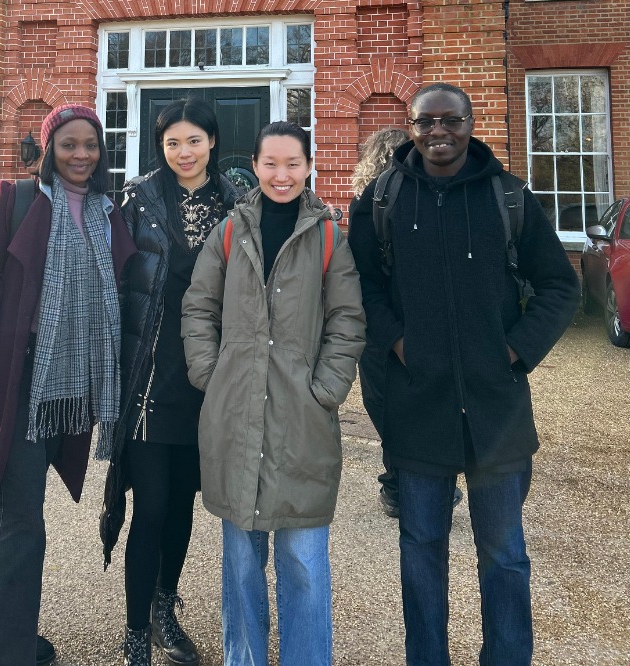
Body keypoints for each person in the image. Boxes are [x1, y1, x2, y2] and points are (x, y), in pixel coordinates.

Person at [349, 83, 579, 665]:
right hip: (418, 409)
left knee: (504, 557)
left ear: (471, 124)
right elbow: (363, 289)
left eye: (451, 121)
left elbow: (559, 286)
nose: (439, 133)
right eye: (426, 123)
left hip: (495, 412)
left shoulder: (510, 198)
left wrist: (513, 353)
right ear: (411, 129)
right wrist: (399, 344)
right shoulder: (381, 202)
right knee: (422, 553)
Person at [0, 104, 135, 666]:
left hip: (75, 383)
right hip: (18, 380)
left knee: (25, 512)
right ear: (49, 148)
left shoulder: (110, 212)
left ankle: (8, 635)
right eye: (68, 145)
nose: (81, 155)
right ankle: (5, 652)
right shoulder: (16, 201)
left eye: (91, 146)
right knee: (21, 514)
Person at [181, 121, 367, 666]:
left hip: (302, 422)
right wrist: (210, 374)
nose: (281, 175)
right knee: (240, 564)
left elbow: (347, 319)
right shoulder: (229, 233)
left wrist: (327, 388)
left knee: (304, 563)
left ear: (309, 166)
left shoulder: (330, 236)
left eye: (292, 164)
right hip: (235, 418)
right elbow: (199, 306)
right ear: (255, 166)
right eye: (270, 164)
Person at [102, 99, 242, 666]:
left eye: (194, 141)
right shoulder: (136, 201)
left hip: (207, 379)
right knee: (151, 507)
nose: (184, 153)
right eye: (172, 144)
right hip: (149, 375)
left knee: (183, 505)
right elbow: (108, 279)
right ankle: (136, 630)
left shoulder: (239, 204)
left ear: (212, 141)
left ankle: (165, 607)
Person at [350, 128, 464, 518]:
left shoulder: (369, 198)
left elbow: (359, 269)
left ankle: (402, 481)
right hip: (421, 316)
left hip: (377, 319)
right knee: (429, 402)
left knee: (383, 403)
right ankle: (419, 480)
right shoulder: (412, 195)